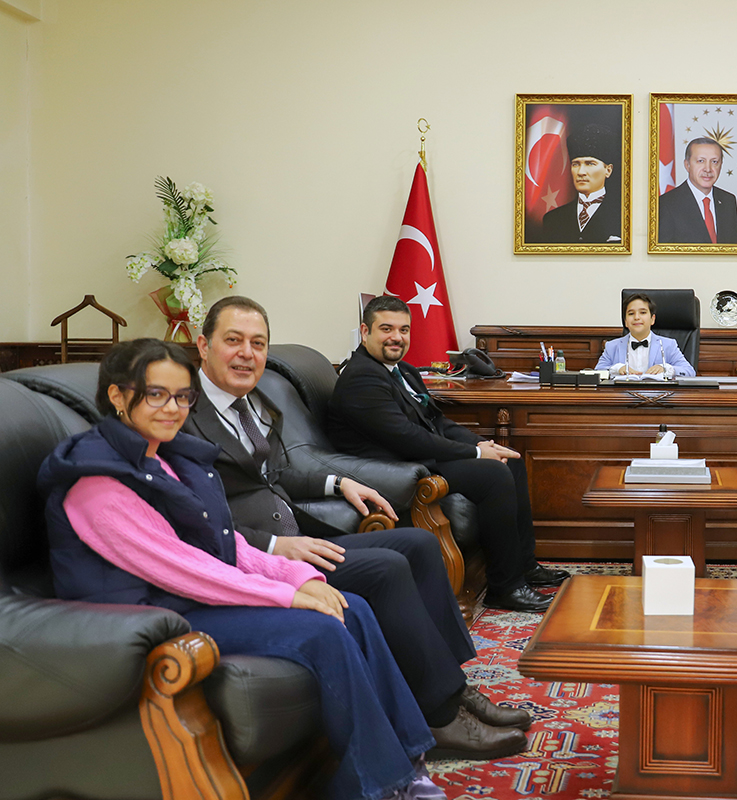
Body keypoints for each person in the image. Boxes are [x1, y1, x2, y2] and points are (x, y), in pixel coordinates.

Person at [38, 338, 448, 800]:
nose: (172, 408)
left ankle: (407, 761)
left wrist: (299, 576)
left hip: (188, 601)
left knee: (351, 608)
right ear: (117, 395)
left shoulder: (162, 456)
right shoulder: (96, 482)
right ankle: (379, 786)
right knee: (322, 629)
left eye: (183, 396)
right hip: (150, 621)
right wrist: (287, 596)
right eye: (156, 394)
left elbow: (221, 542)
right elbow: (185, 568)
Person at [185, 296, 528, 759]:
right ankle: (441, 719)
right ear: (203, 345)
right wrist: (272, 544)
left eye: (258, 343)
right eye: (234, 340)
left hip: (300, 535)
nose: (247, 353)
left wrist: (337, 481)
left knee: (419, 544)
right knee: (386, 568)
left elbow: (276, 474)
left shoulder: (252, 403)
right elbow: (190, 517)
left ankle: (453, 686)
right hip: (260, 557)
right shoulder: (181, 415)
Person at [327, 295, 569, 613]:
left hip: (417, 456)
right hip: (395, 468)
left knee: (508, 460)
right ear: (365, 331)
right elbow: (406, 438)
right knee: (494, 474)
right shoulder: (361, 377)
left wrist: (485, 446)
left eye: (403, 329)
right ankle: (505, 587)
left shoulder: (404, 371)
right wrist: (475, 453)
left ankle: (524, 566)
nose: (397, 337)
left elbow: (437, 422)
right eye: (386, 329)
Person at [539, 123, 622, 244]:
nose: (581, 172)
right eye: (576, 164)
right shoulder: (552, 219)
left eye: (590, 164)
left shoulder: (623, 216)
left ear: (608, 170)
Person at [657, 137, 737, 244]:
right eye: (701, 161)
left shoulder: (728, 201)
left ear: (721, 165)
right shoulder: (666, 204)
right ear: (687, 165)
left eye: (714, 162)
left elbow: (734, 250)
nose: (708, 169)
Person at [594, 293, 696, 378]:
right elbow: (597, 373)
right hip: (623, 395)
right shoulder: (612, 346)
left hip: (659, 395)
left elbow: (689, 372)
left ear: (652, 319)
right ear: (625, 322)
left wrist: (666, 368)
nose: (636, 317)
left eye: (642, 312)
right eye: (631, 313)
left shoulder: (668, 345)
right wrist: (617, 369)